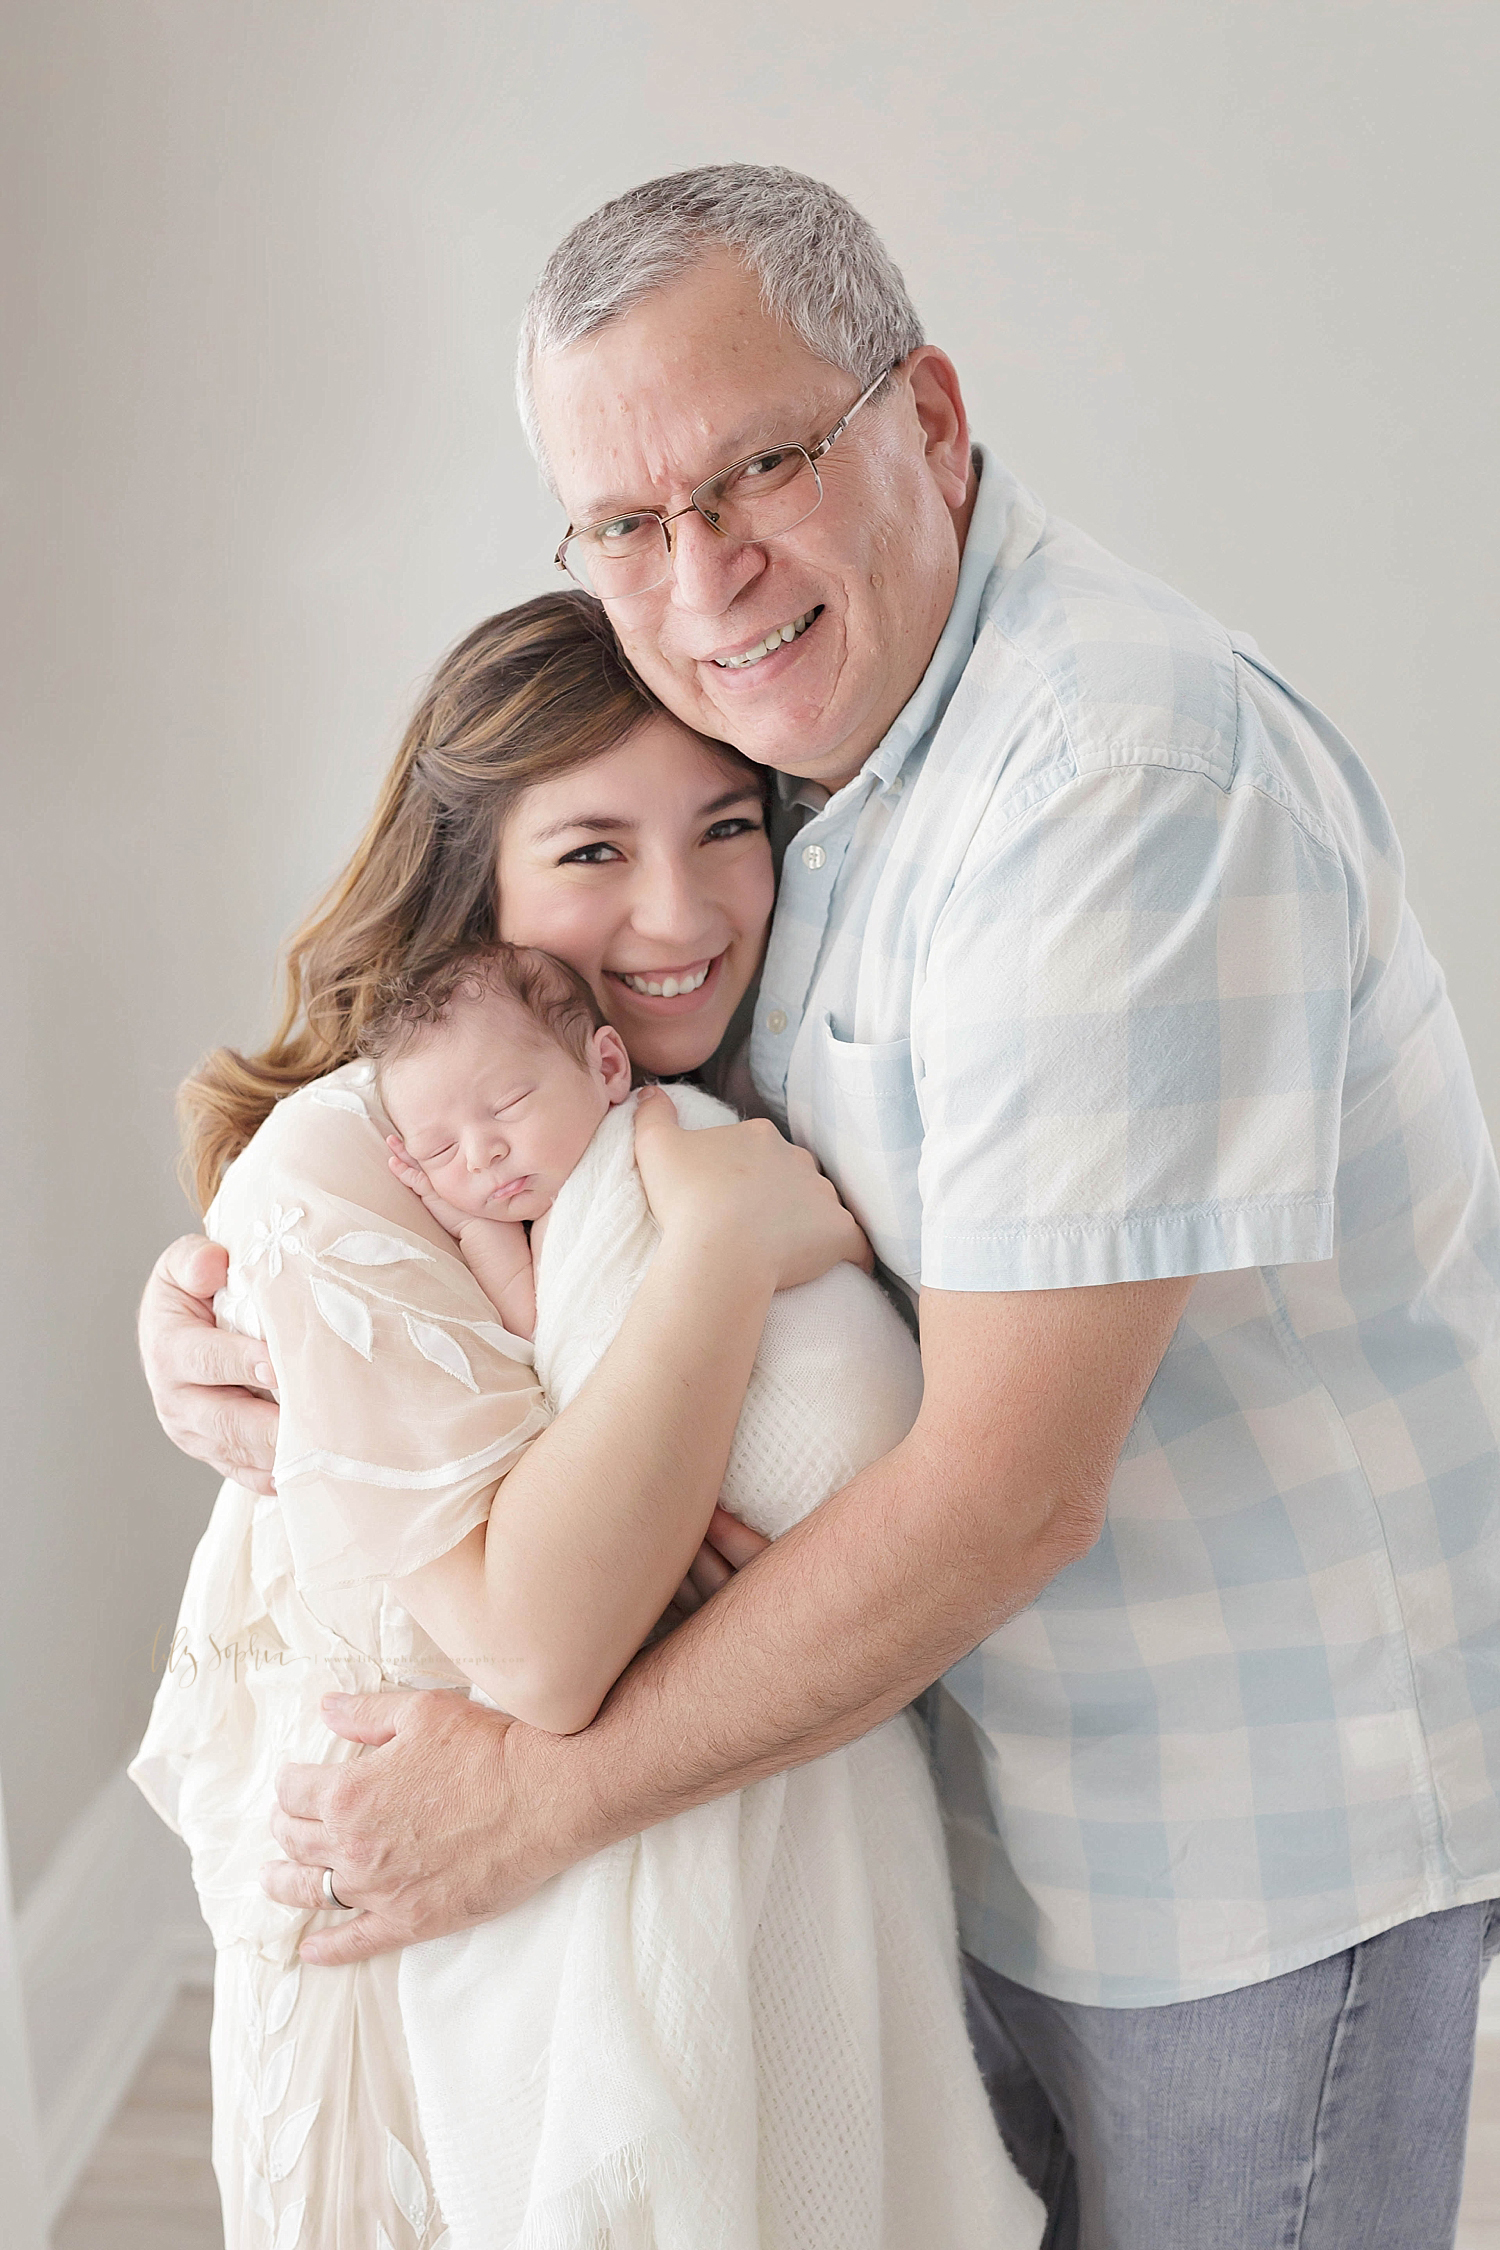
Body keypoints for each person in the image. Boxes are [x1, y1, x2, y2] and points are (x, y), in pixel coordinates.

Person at [138, 166, 1500, 2247]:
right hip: (955, 1813)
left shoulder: (1108, 789)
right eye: (624, 521)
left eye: (760, 463)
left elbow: (1006, 1494)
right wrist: (229, 1320)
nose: (701, 570)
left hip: (1235, 1850)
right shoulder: (813, 767)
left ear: (929, 421)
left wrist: (533, 1801)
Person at [131, 601, 1040, 2246]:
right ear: (472, 878)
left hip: (798, 1899)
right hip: (472, 1963)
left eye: (724, 828)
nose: (679, 909)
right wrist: (725, 1245)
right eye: (593, 850)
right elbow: (548, 1649)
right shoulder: (382, 1166)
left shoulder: (739, 1080)